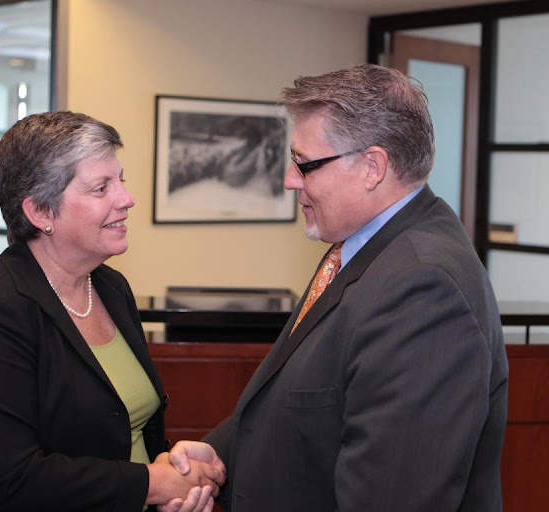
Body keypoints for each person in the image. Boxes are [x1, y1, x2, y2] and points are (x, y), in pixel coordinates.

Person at [161, 64, 509, 512]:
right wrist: (221, 459)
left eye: (305, 164)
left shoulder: (423, 287)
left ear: (372, 167)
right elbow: (310, 403)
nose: (289, 179)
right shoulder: (364, 249)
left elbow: (391, 496)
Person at [0, 111, 224, 511]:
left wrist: (174, 471)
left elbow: (125, 435)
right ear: (40, 212)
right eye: (100, 188)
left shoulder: (110, 286)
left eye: (120, 180)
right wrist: (152, 484)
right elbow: (9, 479)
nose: (127, 198)